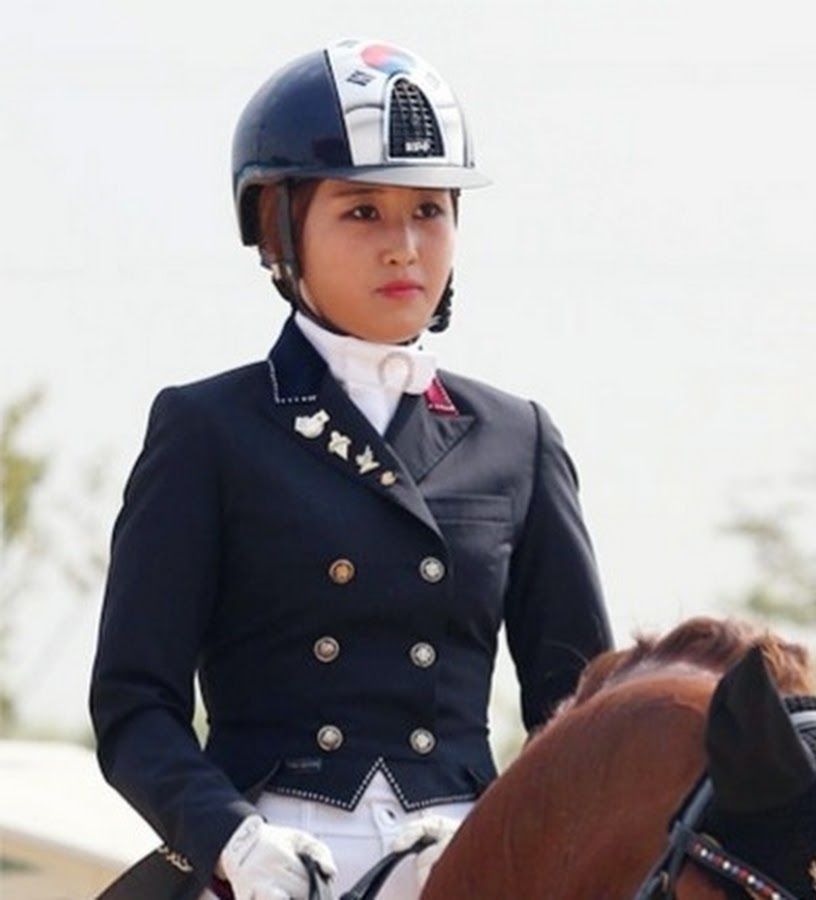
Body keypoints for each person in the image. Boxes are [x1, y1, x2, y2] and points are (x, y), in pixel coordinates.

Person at [90, 37, 613, 900]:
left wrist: (504, 827)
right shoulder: (208, 429)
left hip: (462, 851)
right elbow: (133, 706)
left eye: (429, 210)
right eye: (362, 211)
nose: (404, 246)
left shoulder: (516, 437)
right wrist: (232, 841)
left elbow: (581, 710)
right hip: (270, 853)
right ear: (279, 230)